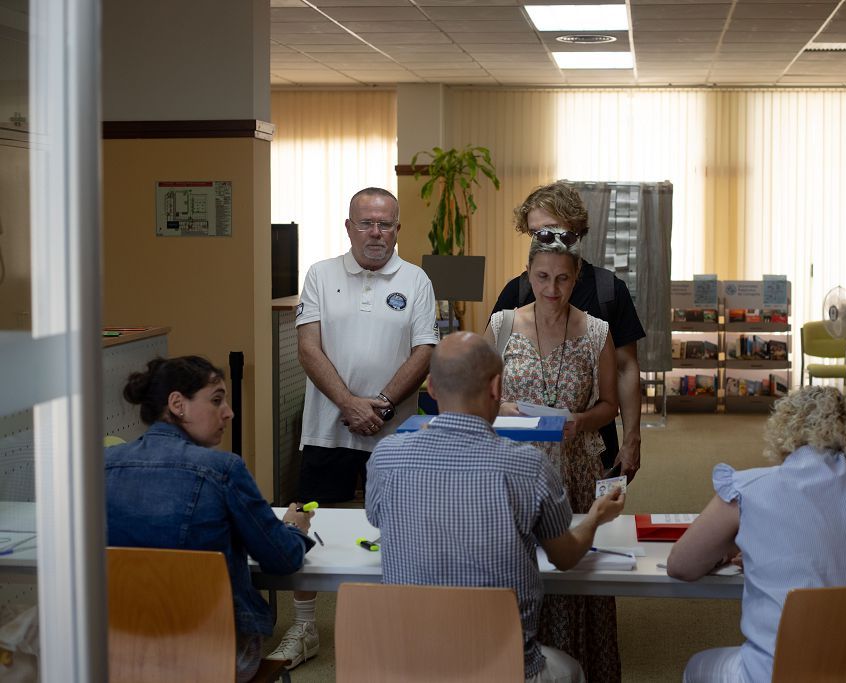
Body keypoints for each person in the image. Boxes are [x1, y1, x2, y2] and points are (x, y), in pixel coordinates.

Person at [366, 332, 626, 682]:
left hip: (410, 665)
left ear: (431, 389)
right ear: (497, 388)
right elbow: (564, 557)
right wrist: (595, 517)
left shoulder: (386, 458)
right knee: (571, 670)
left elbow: (377, 517)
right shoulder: (528, 466)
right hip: (504, 669)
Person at [267, 186, 439, 668]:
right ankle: (303, 628)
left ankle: (397, 622)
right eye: (366, 223)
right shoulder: (321, 275)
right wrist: (349, 403)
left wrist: (380, 406)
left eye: (385, 224)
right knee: (305, 517)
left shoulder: (417, 280)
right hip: (328, 428)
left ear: (398, 229)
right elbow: (308, 348)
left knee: (402, 524)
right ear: (348, 227)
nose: (376, 233)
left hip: (396, 433)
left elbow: (424, 351)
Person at [105, 356, 315, 683]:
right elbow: (283, 559)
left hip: (117, 650)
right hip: (216, 654)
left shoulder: (101, 465)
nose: (228, 412)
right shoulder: (222, 470)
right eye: (216, 400)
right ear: (178, 404)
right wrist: (294, 528)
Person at [666, 386, 846, 683]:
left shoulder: (750, 489)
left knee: (697, 666)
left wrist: (749, 551)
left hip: (777, 674)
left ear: (784, 427)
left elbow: (681, 565)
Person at [485, 233, 622, 682]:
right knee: (516, 567)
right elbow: (480, 394)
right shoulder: (503, 325)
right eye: (542, 277)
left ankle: (574, 666)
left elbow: (609, 405)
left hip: (573, 469)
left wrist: (579, 421)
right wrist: (500, 407)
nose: (552, 289)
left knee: (572, 569)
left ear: (576, 277)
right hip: (512, 470)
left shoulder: (596, 332)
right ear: (528, 274)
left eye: (563, 279)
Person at [492, 182, 645, 481]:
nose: (543, 240)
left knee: (593, 523)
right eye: (535, 233)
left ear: (574, 228)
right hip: (519, 451)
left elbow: (627, 369)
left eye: (550, 229)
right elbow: (484, 371)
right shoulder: (517, 291)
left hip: (591, 443)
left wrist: (633, 438)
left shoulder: (608, 291)